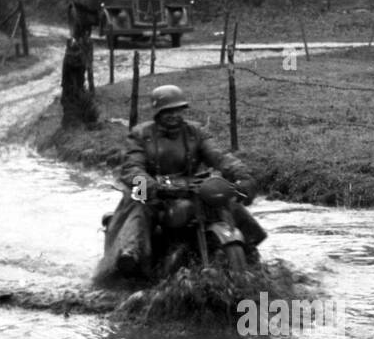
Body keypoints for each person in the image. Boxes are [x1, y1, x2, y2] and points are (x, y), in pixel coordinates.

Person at [103, 84, 266, 278]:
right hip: (151, 188)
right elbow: (132, 167)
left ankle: (248, 246)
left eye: (177, 110)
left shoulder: (195, 132)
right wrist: (149, 184)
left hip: (190, 187)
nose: (173, 115)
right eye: (167, 111)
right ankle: (131, 253)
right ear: (157, 112)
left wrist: (242, 176)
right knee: (140, 203)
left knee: (225, 201)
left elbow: (219, 156)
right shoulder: (141, 134)